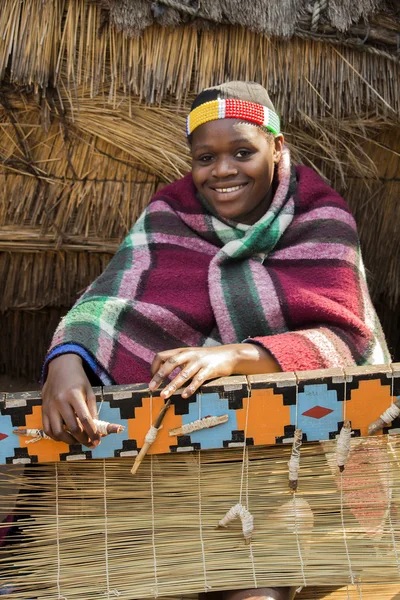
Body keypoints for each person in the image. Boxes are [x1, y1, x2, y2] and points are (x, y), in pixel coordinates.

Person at [41, 81, 390, 600]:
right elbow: (108, 304)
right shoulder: (169, 213)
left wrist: (237, 356)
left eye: (243, 152)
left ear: (279, 148)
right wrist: (67, 360)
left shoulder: (322, 218)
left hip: (295, 457)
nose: (223, 171)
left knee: (255, 587)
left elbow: (347, 341)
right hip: (181, 466)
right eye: (206, 157)